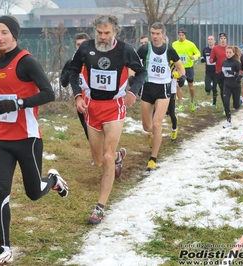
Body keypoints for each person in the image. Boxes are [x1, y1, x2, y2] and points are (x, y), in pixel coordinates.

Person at [0, 15, 69, 265]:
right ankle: (4, 248)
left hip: (28, 139)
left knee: (33, 192)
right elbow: (2, 93)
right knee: (0, 191)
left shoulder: (26, 61)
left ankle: (52, 179)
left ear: (14, 35)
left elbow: (49, 94)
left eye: (4, 32)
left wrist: (18, 104)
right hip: (2, 139)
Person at [69, 15, 146, 225]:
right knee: (98, 161)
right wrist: (77, 96)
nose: (103, 37)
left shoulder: (125, 50)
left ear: (115, 33)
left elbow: (141, 72)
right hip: (92, 107)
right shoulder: (85, 48)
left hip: (114, 106)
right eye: (100, 33)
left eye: (107, 33)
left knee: (107, 157)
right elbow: (73, 71)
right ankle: (119, 156)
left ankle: (99, 208)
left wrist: (133, 92)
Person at [137, 22, 185, 171]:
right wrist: (133, 78)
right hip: (147, 87)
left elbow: (180, 67)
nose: (155, 36)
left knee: (157, 124)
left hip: (163, 89)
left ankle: (153, 158)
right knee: (147, 126)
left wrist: (182, 77)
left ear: (163, 35)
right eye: (153, 33)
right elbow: (133, 65)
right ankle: (152, 134)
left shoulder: (169, 50)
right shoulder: (145, 49)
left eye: (158, 34)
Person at [60, 32, 90, 140]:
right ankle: (98, 156)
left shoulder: (95, 60)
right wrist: (72, 69)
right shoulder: (71, 62)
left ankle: (107, 155)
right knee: (88, 132)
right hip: (80, 102)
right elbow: (63, 83)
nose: (80, 47)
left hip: (95, 101)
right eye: (78, 45)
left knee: (97, 132)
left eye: (83, 44)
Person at [172, 28, 201, 111]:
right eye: (179, 35)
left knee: (191, 86)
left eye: (182, 35)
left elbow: (198, 53)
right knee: (178, 86)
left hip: (188, 68)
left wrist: (194, 57)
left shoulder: (190, 44)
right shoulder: (174, 44)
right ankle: (181, 104)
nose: (181, 37)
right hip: (179, 68)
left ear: (185, 35)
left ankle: (192, 101)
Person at [221, 46, 242, 129]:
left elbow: (241, 73)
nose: (228, 54)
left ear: (233, 53)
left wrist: (233, 73)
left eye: (230, 52)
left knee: (236, 106)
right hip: (227, 85)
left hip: (236, 86)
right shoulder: (224, 62)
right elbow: (223, 73)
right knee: (225, 102)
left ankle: (240, 100)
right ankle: (228, 121)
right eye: (227, 52)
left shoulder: (236, 63)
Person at [209, 32, 228, 110]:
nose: (223, 40)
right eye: (221, 39)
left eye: (224, 39)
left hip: (229, 73)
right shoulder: (215, 48)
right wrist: (213, 60)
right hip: (219, 72)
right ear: (219, 40)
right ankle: (225, 107)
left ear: (226, 39)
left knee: (228, 90)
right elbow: (210, 59)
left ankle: (234, 101)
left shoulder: (229, 48)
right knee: (223, 90)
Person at [201, 35, 218, 107]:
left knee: (214, 88)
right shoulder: (205, 50)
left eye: (211, 39)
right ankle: (208, 89)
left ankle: (214, 103)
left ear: (214, 41)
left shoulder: (217, 49)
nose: (210, 41)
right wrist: (202, 60)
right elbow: (203, 58)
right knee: (207, 88)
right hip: (208, 72)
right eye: (209, 39)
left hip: (216, 72)